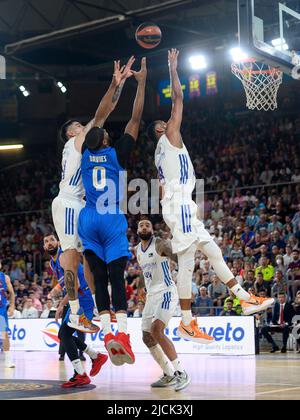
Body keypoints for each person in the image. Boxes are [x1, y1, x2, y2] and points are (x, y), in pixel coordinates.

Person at [147, 49, 274, 343]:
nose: (167, 124)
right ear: (162, 130)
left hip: (180, 204)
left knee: (213, 252)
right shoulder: (170, 136)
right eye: (163, 125)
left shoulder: (159, 155)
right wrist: (173, 69)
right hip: (179, 204)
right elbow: (178, 99)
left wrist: (172, 208)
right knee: (188, 260)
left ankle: (243, 297)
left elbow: (161, 190)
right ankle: (187, 322)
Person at [52, 57, 134, 333]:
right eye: (77, 125)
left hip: (81, 205)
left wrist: (119, 87)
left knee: (89, 256)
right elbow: (100, 115)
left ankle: (93, 312)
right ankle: (75, 314)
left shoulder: (87, 148)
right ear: (71, 134)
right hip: (67, 202)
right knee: (72, 257)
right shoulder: (76, 143)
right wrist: (113, 83)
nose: (82, 127)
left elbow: (105, 114)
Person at [78, 58, 147, 366]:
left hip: (87, 219)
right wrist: (140, 83)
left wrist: (114, 84)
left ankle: (106, 334)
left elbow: (100, 115)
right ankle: (122, 335)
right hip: (110, 219)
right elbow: (135, 117)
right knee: (117, 278)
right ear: (105, 139)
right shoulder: (117, 153)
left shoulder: (84, 153)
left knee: (99, 276)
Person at [136, 218, 190, 392]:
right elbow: (143, 272)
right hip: (151, 296)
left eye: (147, 225)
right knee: (146, 337)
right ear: (137, 230)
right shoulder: (137, 250)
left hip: (166, 291)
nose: (144, 227)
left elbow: (178, 257)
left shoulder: (160, 244)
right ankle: (168, 374)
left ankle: (181, 372)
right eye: (141, 225)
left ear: (152, 230)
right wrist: (140, 290)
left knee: (156, 330)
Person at [43, 232, 99, 361]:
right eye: (46, 241)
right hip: (75, 299)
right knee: (64, 335)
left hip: (84, 299)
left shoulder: (64, 257)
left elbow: (76, 284)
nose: (49, 243)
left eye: (52, 240)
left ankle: (90, 361)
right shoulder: (52, 263)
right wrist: (56, 289)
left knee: (64, 334)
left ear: (59, 243)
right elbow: (65, 281)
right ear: (44, 247)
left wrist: (61, 305)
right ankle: (94, 356)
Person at [0, 261, 15, 368]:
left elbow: (12, 293)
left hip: (1, 310)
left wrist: (12, 305)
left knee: (4, 334)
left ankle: (8, 360)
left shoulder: (5, 278)